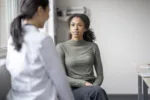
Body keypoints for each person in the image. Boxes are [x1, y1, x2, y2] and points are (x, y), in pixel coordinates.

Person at [6, 0, 74, 100]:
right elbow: (60, 80)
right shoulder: (43, 40)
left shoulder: (12, 39)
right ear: (40, 10)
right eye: (48, 11)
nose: (48, 17)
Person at [56, 14, 108, 100]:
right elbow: (62, 76)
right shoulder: (61, 47)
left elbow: (100, 75)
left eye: (79, 25)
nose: (75, 28)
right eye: (72, 25)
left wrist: (93, 87)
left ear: (85, 28)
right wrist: (84, 84)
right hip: (72, 89)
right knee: (98, 92)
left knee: (97, 92)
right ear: (69, 28)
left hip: (92, 87)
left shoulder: (93, 46)